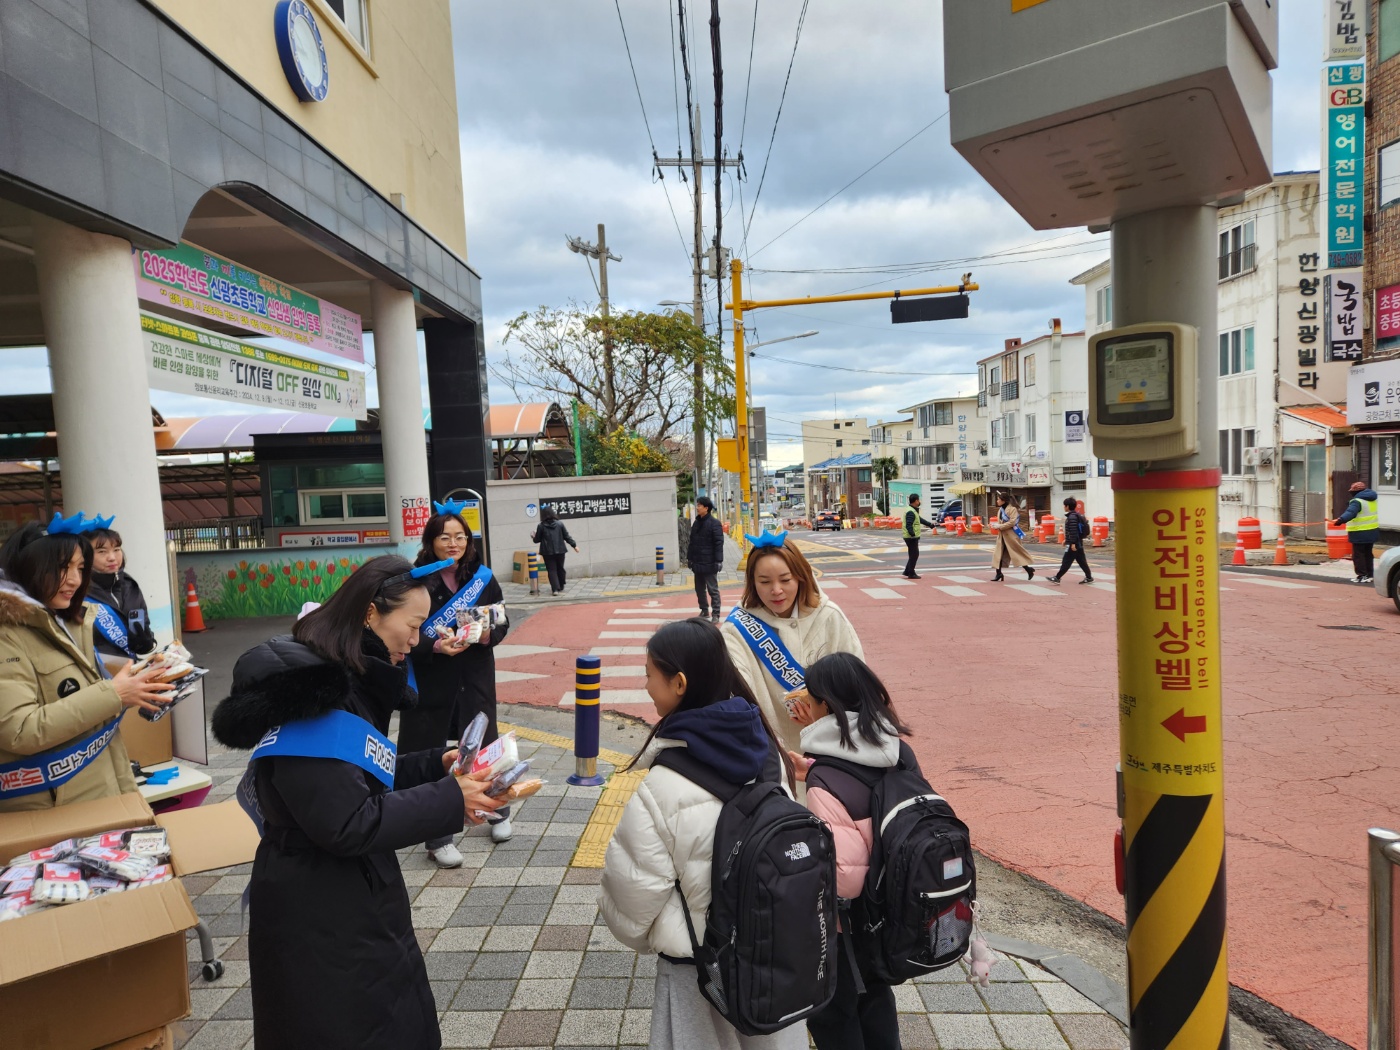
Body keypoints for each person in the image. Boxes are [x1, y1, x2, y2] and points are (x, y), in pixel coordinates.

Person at [211, 555, 501, 1050]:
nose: (416, 641)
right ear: (370, 614)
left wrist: (438, 764)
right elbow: (347, 821)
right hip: (321, 911)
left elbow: (363, 775)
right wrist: (450, 801)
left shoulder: (343, 677)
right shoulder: (314, 696)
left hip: (347, 895)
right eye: (412, 626)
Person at [599, 618, 803, 1050]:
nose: (646, 685)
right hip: (773, 949)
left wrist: (660, 934)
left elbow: (632, 899)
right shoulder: (771, 754)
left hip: (697, 966)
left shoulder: (663, 785)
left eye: (650, 675)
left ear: (679, 683)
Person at [0, 515, 172, 812]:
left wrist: (133, 688)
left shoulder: (68, 620)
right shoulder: (7, 633)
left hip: (100, 788)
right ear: (29, 568)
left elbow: (79, 699)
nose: (75, 580)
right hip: (50, 808)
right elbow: (19, 730)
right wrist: (114, 694)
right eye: (62, 568)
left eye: (80, 568)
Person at [788, 651, 913, 1050]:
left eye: (812, 698)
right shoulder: (898, 751)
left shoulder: (827, 778)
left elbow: (843, 878)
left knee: (835, 1011)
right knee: (876, 999)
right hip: (894, 907)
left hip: (848, 926)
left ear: (827, 706)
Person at [404, 507, 512, 863]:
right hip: (434, 679)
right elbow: (403, 632)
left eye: (460, 537)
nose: (454, 544)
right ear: (431, 542)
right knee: (435, 752)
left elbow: (501, 622)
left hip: (475, 676)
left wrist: (482, 635)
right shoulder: (416, 581)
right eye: (445, 537)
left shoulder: (482, 577)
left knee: (484, 745)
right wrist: (434, 644)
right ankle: (437, 838)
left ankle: (495, 810)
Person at [720, 532, 863, 755]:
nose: (776, 590)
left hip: (832, 751)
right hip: (769, 754)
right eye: (765, 582)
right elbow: (732, 694)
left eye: (785, 580)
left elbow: (857, 685)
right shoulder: (737, 629)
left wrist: (822, 717)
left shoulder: (829, 617)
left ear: (801, 576)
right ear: (752, 582)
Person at [85, 521, 158, 661]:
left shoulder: (130, 586)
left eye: (116, 549)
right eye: (102, 551)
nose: (112, 557)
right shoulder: (78, 592)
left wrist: (146, 641)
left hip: (131, 670)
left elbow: (145, 626)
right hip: (97, 675)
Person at [689, 496, 726, 621]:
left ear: (706, 508)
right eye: (697, 505)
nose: (697, 507)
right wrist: (690, 559)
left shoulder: (714, 523)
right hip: (697, 562)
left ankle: (716, 613)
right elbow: (692, 542)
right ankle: (704, 610)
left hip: (710, 563)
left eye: (699, 505)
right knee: (699, 589)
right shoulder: (696, 522)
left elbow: (719, 543)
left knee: (712, 589)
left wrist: (718, 561)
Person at [1334, 480, 1378, 583]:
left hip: (1359, 532)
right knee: (1368, 554)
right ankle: (1370, 575)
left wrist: (1340, 520)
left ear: (1355, 492)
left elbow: (1351, 512)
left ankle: (1361, 575)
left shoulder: (1357, 501)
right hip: (1372, 531)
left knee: (1358, 555)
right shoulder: (1372, 499)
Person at [531, 505, 579, 595]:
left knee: (551, 570)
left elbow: (537, 539)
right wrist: (574, 545)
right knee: (560, 568)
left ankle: (555, 589)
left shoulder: (541, 526)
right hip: (560, 550)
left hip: (547, 552)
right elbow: (566, 536)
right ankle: (561, 585)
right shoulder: (560, 524)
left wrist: (533, 536)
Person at [989, 492, 1035, 583]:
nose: (997, 501)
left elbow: (1012, 522)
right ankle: (998, 573)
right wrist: (996, 525)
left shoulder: (1012, 509)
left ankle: (1029, 570)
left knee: (1016, 554)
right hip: (1002, 536)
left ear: (1003, 500)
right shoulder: (1000, 510)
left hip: (1011, 536)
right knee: (998, 555)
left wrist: (1000, 526)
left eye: (998, 499)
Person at [1049, 497, 1094, 585]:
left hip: (1074, 543)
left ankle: (1057, 577)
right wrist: (1067, 539)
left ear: (1067, 506)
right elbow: (1073, 531)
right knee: (1081, 561)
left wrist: (1072, 543)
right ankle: (1089, 577)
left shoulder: (1072, 517)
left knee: (1066, 560)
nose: (1063, 507)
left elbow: (1073, 531)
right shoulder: (1076, 515)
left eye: (1064, 505)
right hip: (1078, 542)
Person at [900, 494, 936, 580]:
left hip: (910, 536)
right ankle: (911, 573)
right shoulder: (911, 511)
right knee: (914, 555)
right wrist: (912, 534)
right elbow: (909, 525)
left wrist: (930, 524)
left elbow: (919, 519)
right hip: (911, 537)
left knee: (913, 554)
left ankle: (908, 571)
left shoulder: (912, 510)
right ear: (916, 501)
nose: (919, 502)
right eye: (918, 500)